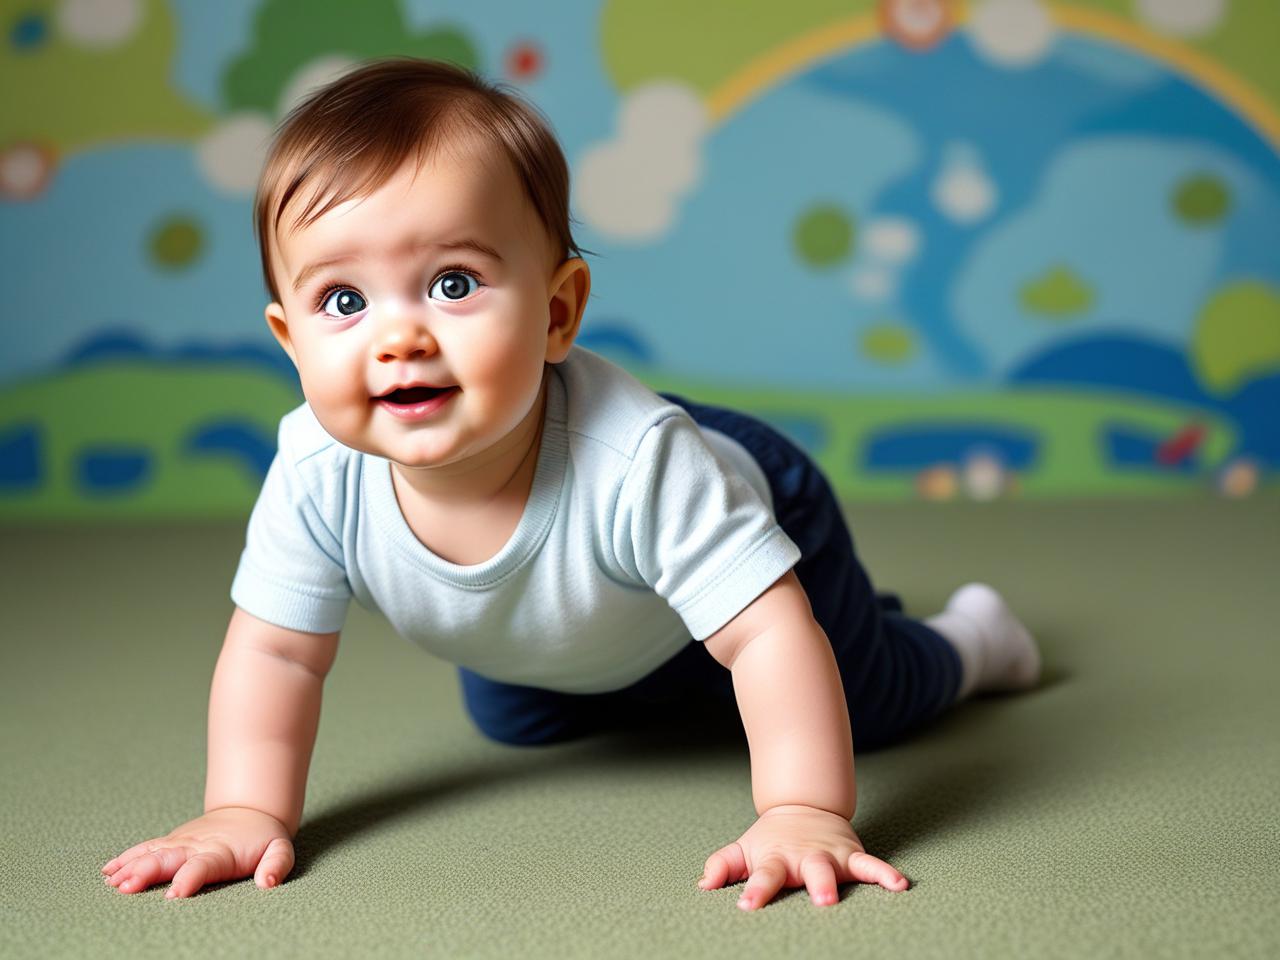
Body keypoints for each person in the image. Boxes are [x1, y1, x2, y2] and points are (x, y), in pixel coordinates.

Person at [101, 57, 1041, 911]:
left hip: (748, 504)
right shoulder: (314, 471)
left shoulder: (642, 464)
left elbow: (764, 635)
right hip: (585, 620)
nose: (399, 338)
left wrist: (803, 811)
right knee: (517, 718)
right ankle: (672, 668)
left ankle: (970, 640)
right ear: (288, 339)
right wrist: (239, 808)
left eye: (454, 283)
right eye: (343, 301)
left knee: (856, 695)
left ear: (558, 313)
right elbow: (276, 657)